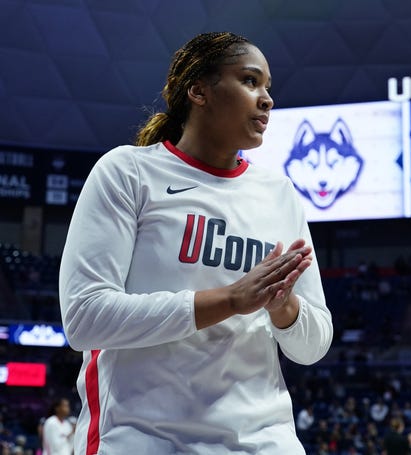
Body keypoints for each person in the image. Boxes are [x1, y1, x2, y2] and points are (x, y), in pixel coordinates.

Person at [59, 31, 333, 454]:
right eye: (249, 81)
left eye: (267, 88)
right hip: (141, 438)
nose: (266, 99)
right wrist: (230, 299)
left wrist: (284, 307)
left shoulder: (279, 194)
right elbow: (85, 318)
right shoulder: (127, 172)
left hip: (262, 440)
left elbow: (312, 346)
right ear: (198, 90)